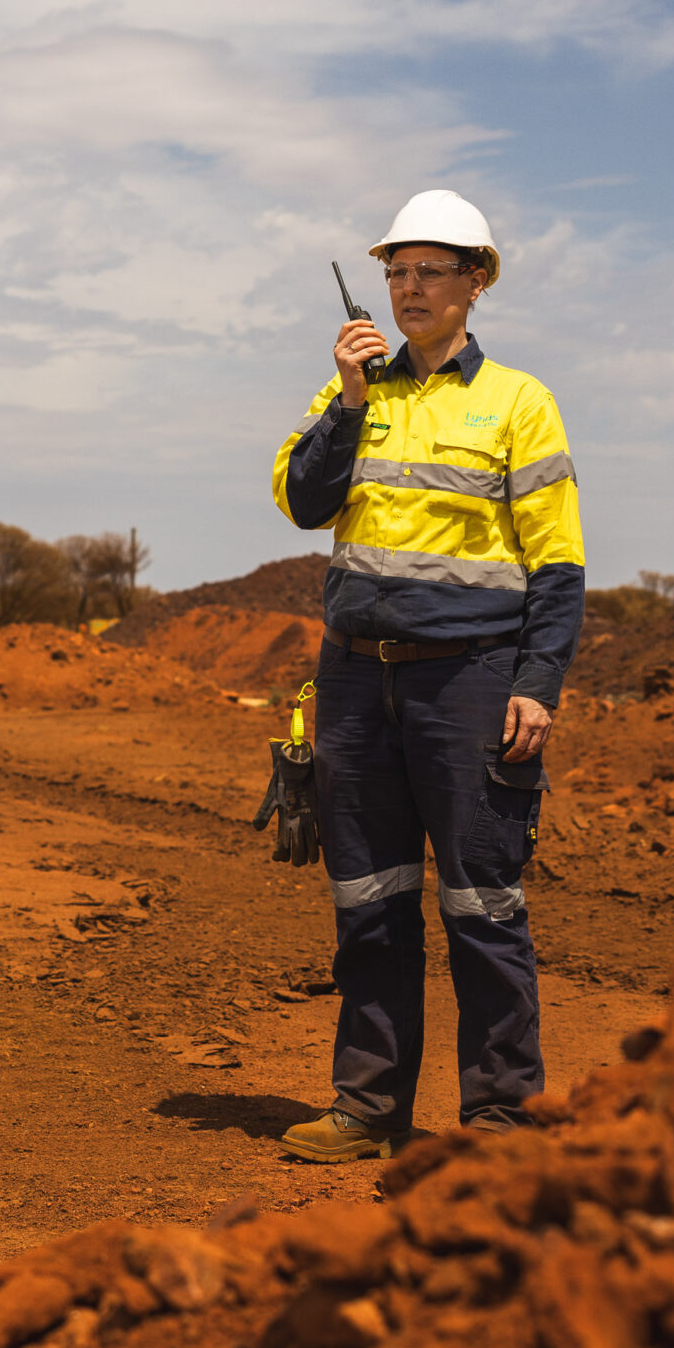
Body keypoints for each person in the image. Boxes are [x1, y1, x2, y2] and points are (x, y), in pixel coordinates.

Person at [269, 191, 583, 1160]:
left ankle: (498, 1118)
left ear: (474, 282)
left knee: (481, 905)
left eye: (429, 271)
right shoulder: (354, 393)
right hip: (358, 683)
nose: (408, 289)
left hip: (472, 683)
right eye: (395, 272)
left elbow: (559, 565)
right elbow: (300, 500)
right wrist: (351, 400)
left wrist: (536, 681)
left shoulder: (518, 403)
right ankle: (368, 1106)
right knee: (368, 899)